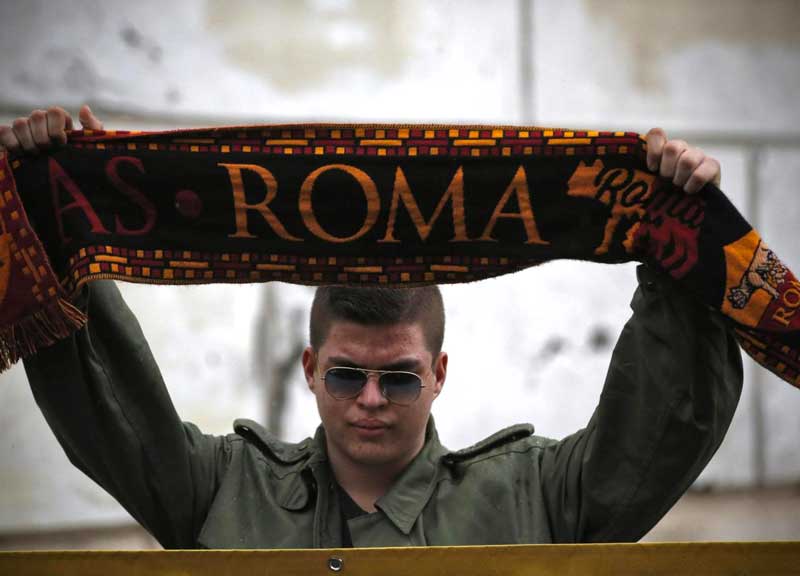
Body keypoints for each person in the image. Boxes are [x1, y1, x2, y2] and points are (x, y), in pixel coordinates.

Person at [1, 107, 742, 549]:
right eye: (348, 374)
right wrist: (62, 223)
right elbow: (106, 408)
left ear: (440, 374)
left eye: (400, 377)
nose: (371, 400)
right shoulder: (219, 490)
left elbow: (663, 424)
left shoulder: (538, 497)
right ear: (310, 370)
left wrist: (679, 244)